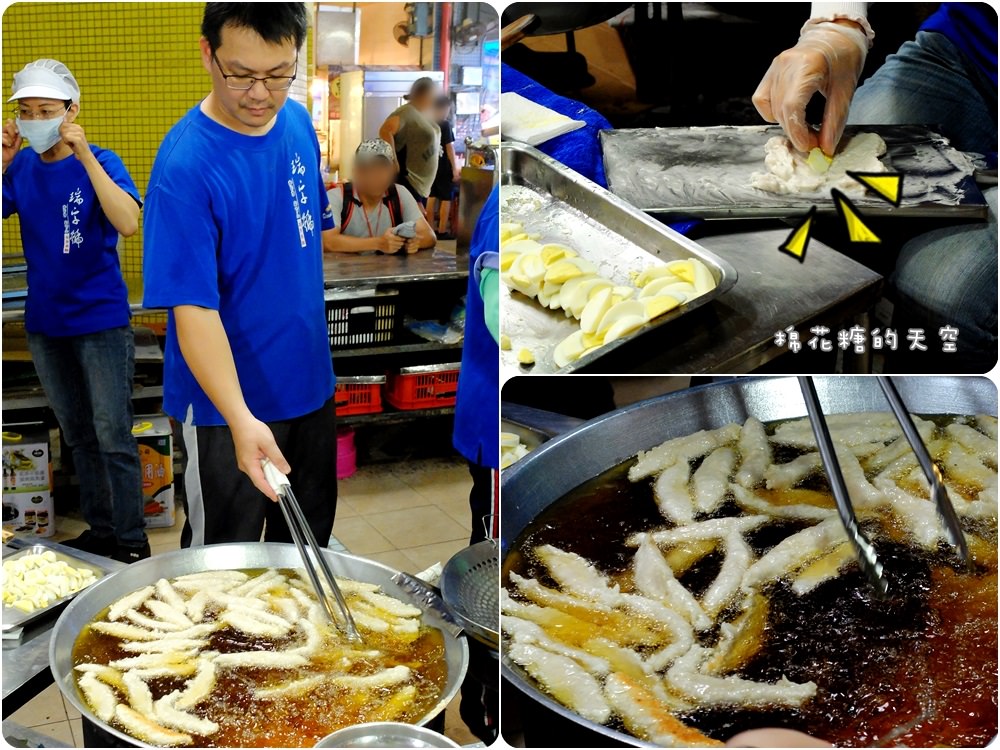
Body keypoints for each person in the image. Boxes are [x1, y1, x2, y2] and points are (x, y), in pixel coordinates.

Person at [143, 3, 338, 547]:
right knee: (222, 565)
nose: (260, 94)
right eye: (242, 75)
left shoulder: (296, 123)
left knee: (307, 548)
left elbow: (304, 243)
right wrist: (240, 418)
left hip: (309, 386)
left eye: (278, 74)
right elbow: (193, 311)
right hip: (225, 409)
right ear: (208, 54)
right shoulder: (185, 166)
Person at [754, 2, 997, 371]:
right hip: (973, 48)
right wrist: (837, 23)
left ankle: (907, 402)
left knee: (941, 292)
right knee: (797, 223)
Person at [1, 59, 149, 563]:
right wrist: (1, 163)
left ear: (72, 111)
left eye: (46, 110)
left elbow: (128, 221)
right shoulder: (21, 167)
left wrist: (85, 157)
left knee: (113, 435)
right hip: (46, 323)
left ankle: (131, 541)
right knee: (79, 436)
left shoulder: (102, 160)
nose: (34, 120)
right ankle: (101, 531)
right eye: (25, 111)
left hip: (100, 321)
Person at [452, 184, 500, 744]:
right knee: (493, 570)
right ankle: (486, 713)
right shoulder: (504, 208)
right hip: (497, 423)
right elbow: (499, 315)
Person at [323, 139, 435, 253]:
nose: (376, 176)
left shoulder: (399, 194)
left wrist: (414, 242)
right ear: (356, 172)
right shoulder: (337, 197)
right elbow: (327, 241)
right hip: (344, 265)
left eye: (383, 168)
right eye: (369, 169)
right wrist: (379, 243)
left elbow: (429, 235)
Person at [378, 76, 441, 210]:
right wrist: (392, 161)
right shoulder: (406, 112)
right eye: (433, 94)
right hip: (409, 181)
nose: (434, 98)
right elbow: (385, 131)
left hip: (421, 186)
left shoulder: (423, 114)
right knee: (413, 221)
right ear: (423, 94)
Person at [426, 94, 460, 239]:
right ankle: (441, 231)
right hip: (444, 167)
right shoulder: (444, 125)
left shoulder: (427, 123)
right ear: (444, 108)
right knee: (446, 198)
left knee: (431, 197)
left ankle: (430, 230)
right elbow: (449, 148)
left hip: (430, 167)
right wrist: (455, 169)